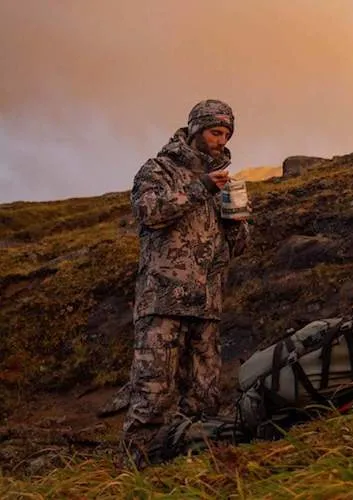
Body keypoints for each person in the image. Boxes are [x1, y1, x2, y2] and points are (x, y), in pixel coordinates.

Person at [121, 99, 250, 464]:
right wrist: (201, 187)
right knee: (152, 396)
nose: (220, 140)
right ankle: (132, 476)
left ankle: (194, 468)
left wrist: (237, 220)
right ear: (194, 129)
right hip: (162, 304)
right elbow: (150, 213)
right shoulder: (157, 170)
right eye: (214, 131)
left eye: (225, 133)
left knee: (205, 398)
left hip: (206, 307)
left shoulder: (223, 183)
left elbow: (236, 248)